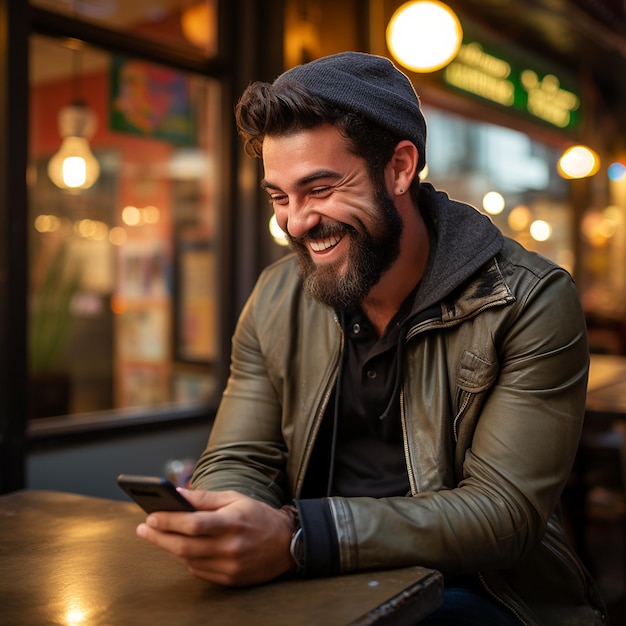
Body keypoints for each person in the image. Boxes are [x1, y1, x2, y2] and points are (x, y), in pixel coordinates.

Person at [136, 51, 606, 624]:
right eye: (280, 197)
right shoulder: (276, 296)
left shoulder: (529, 301)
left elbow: (502, 516)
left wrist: (296, 536)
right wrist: (229, 517)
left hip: (484, 590)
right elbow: (240, 455)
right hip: (309, 576)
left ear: (400, 168)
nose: (296, 222)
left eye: (322, 188)